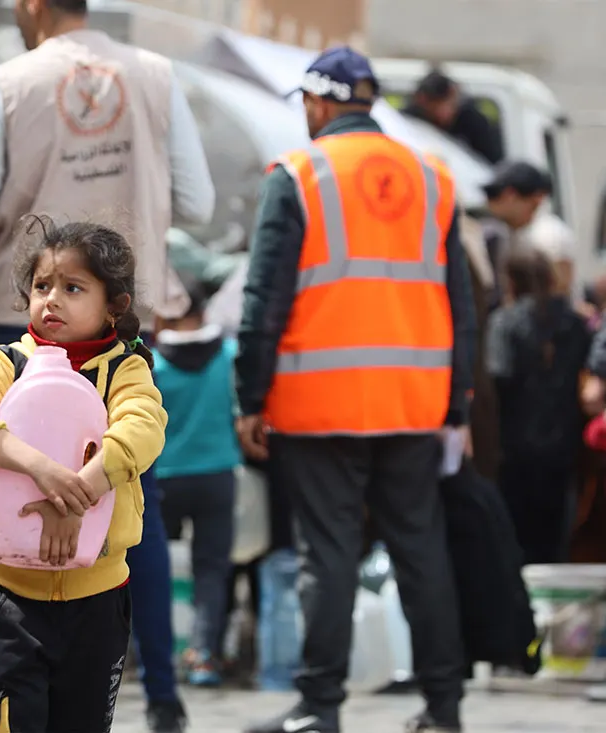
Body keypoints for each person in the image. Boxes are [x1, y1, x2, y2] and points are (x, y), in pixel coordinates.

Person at [0, 3, 213, 728]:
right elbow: (198, 197)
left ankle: (35, 675)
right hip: (123, 322)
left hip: (15, 322)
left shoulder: (4, 84)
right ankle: (161, 692)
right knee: (135, 517)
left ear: (33, 6)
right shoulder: (157, 76)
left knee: (20, 496)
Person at [235, 46, 476, 733]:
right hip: (413, 401)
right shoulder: (433, 176)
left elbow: (263, 298)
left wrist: (250, 398)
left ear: (317, 102)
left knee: (329, 553)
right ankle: (444, 704)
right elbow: (460, 300)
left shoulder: (300, 174)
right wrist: (455, 403)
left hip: (320, 403)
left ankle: (320, 706)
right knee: (419, 550)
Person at [0, 217, 168, 733]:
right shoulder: (6, 364)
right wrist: (40, 468)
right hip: (7, 596)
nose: (52, 300)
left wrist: (79, 493)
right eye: (42, 286)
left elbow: (143, 429)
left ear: (115, 304)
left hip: (98, 599)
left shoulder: (126, 371)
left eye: (73, 287)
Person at [150, 277, 240, 688]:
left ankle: (150, 652)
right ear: (203, 314)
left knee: (150, 565)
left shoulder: (152, 364)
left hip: (163, 477)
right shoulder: (228, 355)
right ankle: (203, 655)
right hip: (218, 475)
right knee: (211, 570)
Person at [486, 245, 592, 565]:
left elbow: (498, 374)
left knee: (520, 539)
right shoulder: (574, 321)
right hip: (564, 446)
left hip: (516, 448)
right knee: (556, 536)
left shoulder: (504, 322)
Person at [483, 160, 577, 300]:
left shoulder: (549, 236)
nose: (491, 202)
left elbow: (559, 292)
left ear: (536, 198)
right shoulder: (503, 235)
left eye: (497, 193)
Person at [402, 68, 504, 164]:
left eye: (444, 104)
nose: (441, 112)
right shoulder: (408, 121)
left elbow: (493, 160)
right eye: (433, 106)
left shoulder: (473, 122)